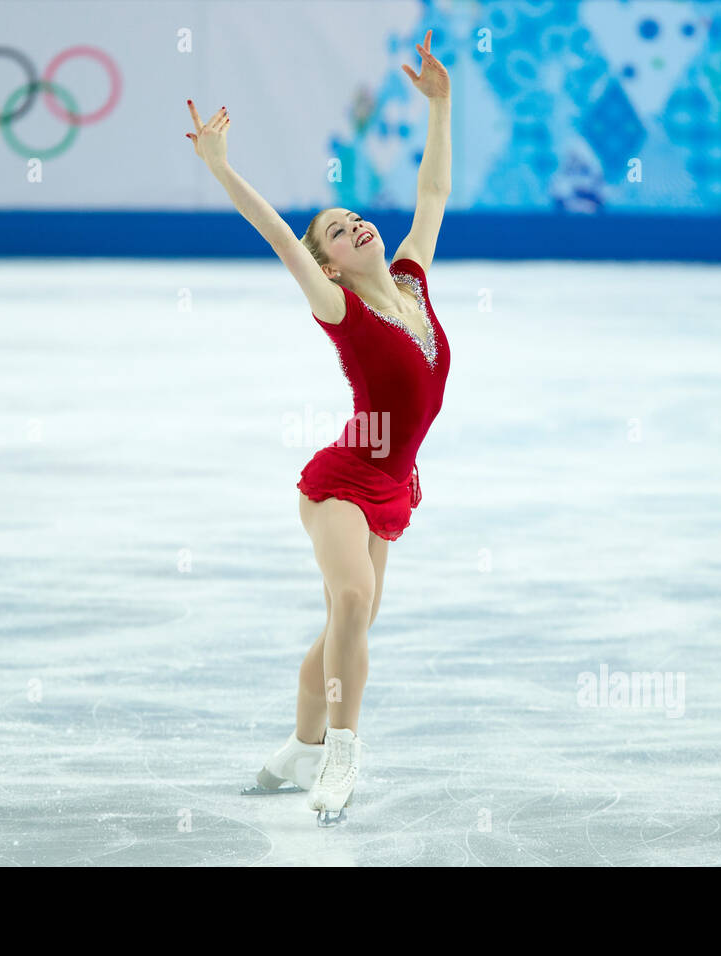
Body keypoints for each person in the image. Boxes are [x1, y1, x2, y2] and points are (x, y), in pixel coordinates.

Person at [185, 30, 451, 824]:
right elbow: (276, 234)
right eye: (335, 229)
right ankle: (340, 755)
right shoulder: (339, 306)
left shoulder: (410, 280)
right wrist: (221, 166)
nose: (355, 225)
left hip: (392, 479)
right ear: (328, 264)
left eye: (354, 217)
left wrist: (441, 105)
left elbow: (432, 194)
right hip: (342, 479)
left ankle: (299, 743)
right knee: (351, 597)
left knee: (356, 618)